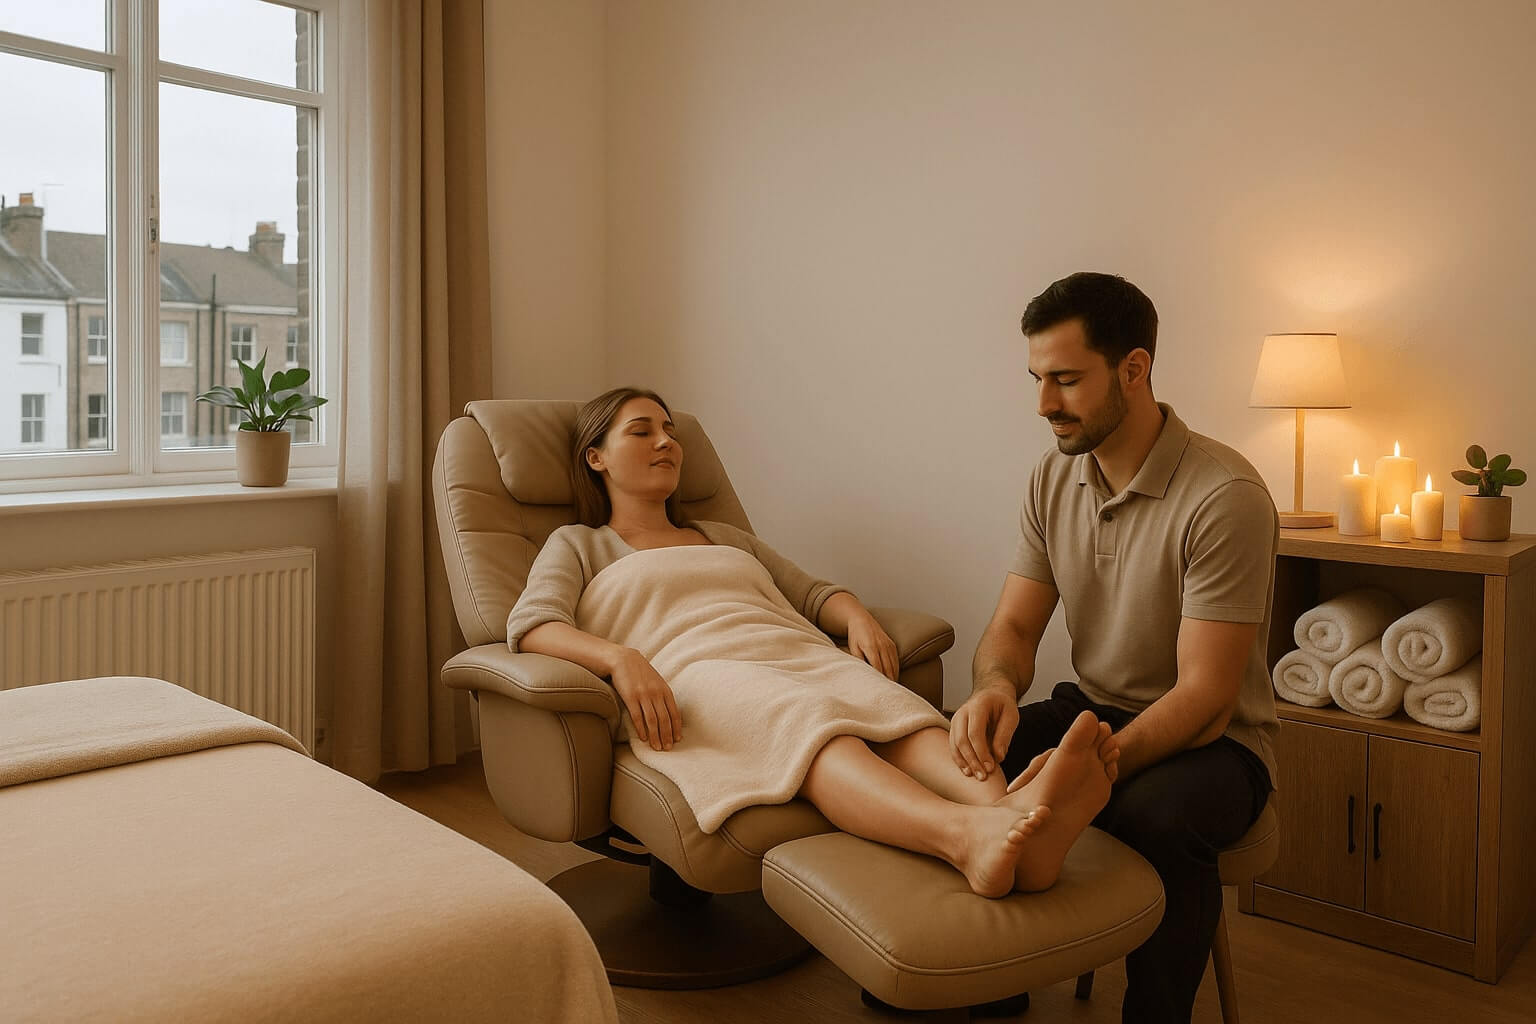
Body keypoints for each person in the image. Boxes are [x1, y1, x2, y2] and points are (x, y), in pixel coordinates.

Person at [507, 386, 1120, 898]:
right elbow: (533, 626)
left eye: (670, 430)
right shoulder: (578, 545)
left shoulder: (721, 535)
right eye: (642, 431)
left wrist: (855, 617)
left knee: (905, 717)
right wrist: (620, 658)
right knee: (811, 726)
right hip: (701, 675)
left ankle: (1013, 821)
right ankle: (965, 837)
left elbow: (811, 592)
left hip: (794, 653)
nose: (667, 442)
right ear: (596, 458)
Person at [950, 272, 1279, 1023]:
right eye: (1037, 379)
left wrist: (1082, 773)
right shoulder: (1054, 476)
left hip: (1220, 743)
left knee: (1154, 814)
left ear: (1135, 369)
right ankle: (990, 990)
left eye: (1065, 380)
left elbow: (1205, 697)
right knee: (958, 753)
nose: (1044, 405)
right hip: (1096, 708)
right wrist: (994, 688)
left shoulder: (1225, 496)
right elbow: (1013, 630)